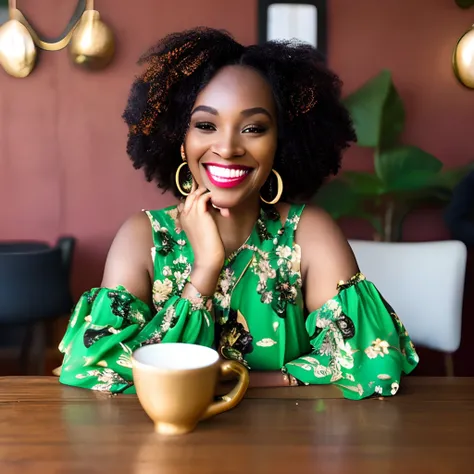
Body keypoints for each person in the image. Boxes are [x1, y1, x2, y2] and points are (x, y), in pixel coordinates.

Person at [57, 27, 419, 399]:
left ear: (280, 143)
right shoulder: (142, 238)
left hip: (289, 444)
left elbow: (372, 363)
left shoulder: (308, 234)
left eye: (253, 128)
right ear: (181, 142)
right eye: (206, 125)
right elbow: (91, 367)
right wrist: (205, 270)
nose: (228, 147)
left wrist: (236, 383)